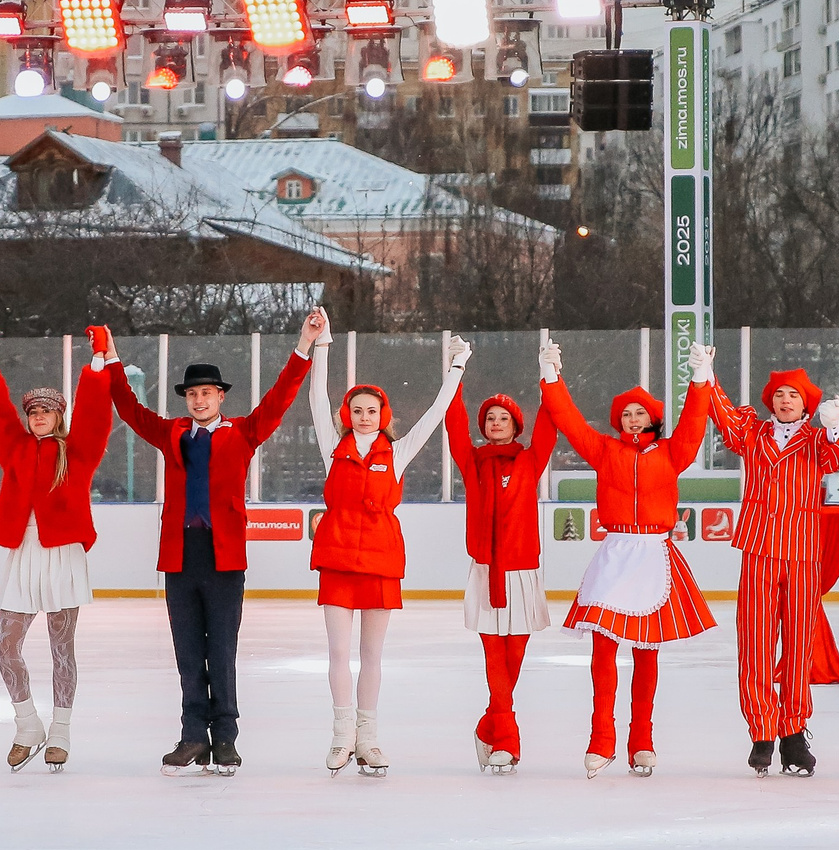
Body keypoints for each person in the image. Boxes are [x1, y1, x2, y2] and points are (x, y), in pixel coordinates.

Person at [109, 310, 321, 776]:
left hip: (224, 557)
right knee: (188, 652)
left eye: (207, 393)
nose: (199, 400)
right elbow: (127, 408)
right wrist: (110, 358)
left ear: (221, 396)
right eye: (192, 394)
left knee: (221, 649)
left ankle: (225, 737)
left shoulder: (243, 432)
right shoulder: (171, 434)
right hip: (180, 556)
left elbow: (280, 398)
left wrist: (303, 345)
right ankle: (192, 737)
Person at [537, 335, 718, 779]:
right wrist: (551, 377)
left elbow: (696, 424)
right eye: (626, 414)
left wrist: (700, 379)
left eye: (640, 413)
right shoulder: (604, 450)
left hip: (654, 553)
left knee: (646, 652)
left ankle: (642, 739)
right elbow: (569, 420)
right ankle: (602, 737)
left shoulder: (673, 452)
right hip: (616, 552)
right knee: (603, 648)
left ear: (654, 418)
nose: (633, 419)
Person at [303, 316, 468, 775]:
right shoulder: (331, 447)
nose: (364, 416)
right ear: (347, 415)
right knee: (338, 653)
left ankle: (368, 740)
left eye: (371, 410)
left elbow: (436, 413)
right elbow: (317, 398)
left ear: (383, 416)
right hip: (337, 556)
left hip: (380, 560)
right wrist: (324, 344)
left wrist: (456, 368)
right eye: (357, 409)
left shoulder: (396, 453)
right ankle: (341, 737)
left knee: (372, 655)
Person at [0, 323, 119, 772]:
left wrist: (97, 364)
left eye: (47, 411)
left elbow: (97, 418)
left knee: (62, 649)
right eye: (32, 410)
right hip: (24, 553)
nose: (38, 416)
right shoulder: (15, 448)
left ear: (59, 416)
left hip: (61, 554)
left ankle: (60, 730)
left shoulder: (77, 453)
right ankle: (27, 724)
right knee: (5, 644)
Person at [703, 364, 839, 776]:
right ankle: (762, 731)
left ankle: (792, 730)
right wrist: (706, 377)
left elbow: (838, 457)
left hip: (802, 551)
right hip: (758, 549)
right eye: (780, 394)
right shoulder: (754, 433)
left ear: (806, 403)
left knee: (800, 644)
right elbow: (724, 416)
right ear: (771, 401)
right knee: (754, 642)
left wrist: (836, 424)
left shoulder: (817, 438)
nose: (786, 400)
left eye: (794, 395)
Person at [444, 380, 561, 774]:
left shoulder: (530, 460)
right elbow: (454, 423)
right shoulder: (472, 460)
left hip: (522, 571)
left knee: (514, 657)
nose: (496, 422)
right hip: (485, 571)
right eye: (490, 418)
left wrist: (549, 375)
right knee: (494, 657)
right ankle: (508, 740)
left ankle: (487, 725)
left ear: (516, 425)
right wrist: (456, 375)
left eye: (504, 418)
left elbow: (551, 421)